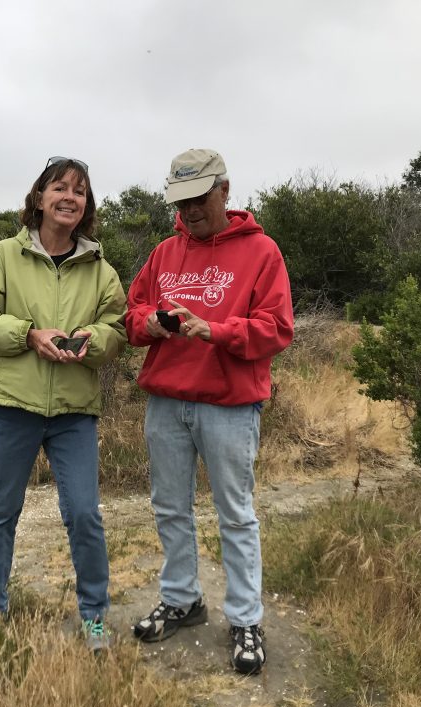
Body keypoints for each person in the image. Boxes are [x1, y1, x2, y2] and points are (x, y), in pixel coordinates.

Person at [125, 149, 293, 674]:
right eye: (182, 201)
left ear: (224, 189)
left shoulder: (262, 252)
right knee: (170, 506)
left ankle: (245, 619)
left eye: (200, 198)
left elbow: (277, 329)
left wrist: (215, 330)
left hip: (229, 406)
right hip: (167, 402)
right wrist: (152, 323)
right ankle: (182, 600)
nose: (191, 210)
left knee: (236, 515)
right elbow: (129, 317)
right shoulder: (163, 252)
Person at [0, 156, 127, 650]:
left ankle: (94, 616)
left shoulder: (101, 270)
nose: (69, 196)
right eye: (59, 187)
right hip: (12, 404)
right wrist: (28, 335)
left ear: (87, 205)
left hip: (74, 412)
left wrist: (87, 342)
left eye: (79, 190)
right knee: (2, 511)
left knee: (84, 514)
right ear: (39, 198)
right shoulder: (4, 255)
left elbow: (116, 330)